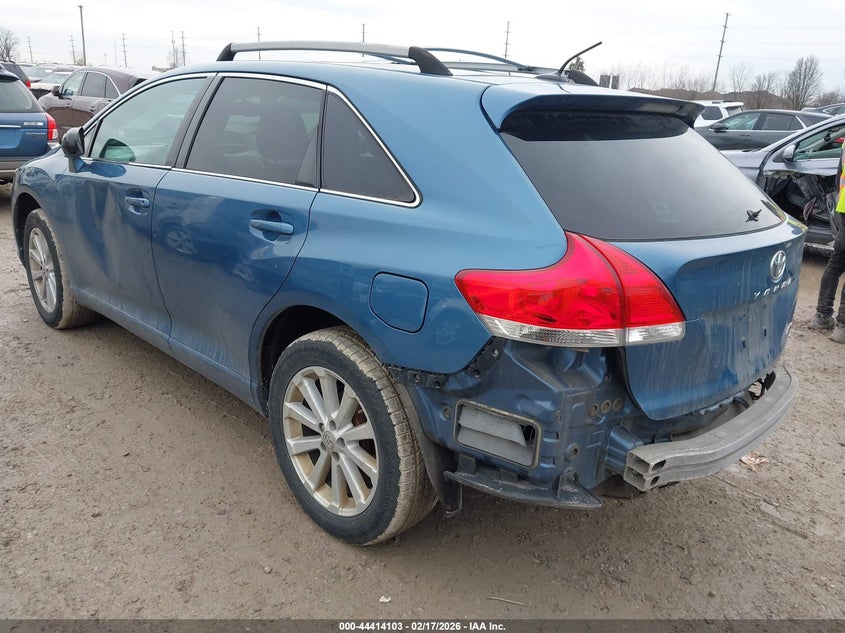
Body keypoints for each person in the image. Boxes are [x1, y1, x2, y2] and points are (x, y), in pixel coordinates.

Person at [809, 142, 845, 342]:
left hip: (844, 205)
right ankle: (843, 327)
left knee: (837, 261)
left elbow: (839, 175)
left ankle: (822, 316)